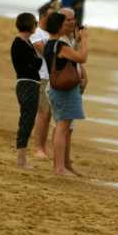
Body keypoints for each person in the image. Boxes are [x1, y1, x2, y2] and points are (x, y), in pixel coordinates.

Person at [42, 11, 88, 176]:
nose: (69, 24)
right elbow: (82, 58)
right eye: (66, 22)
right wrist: (85, 39)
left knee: (62, 127)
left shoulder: (50, 43)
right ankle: (59, 167)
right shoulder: (60, 46)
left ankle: (61, 166)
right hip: (64, 91)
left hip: (57, 89)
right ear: (59, 25)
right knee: (62, 128)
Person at [11, 12, 43, 169]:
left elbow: (35, 63)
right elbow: (33, 64)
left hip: (30, 83)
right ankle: (21, 159)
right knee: (26, 120)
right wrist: (37, 60)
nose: (36, 25)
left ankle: (21, 158)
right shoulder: (19, 43)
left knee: (28, 120)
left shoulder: (26, 42)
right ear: (29, 25)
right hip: (27, 84)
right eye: (35, 23)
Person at [29, 2, 55, 159]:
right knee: (43, 113)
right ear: (44, 16)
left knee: (48, 114)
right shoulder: (36, 33)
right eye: (52, 15)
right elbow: (46, 52)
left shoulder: (51, 34)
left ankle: (43, 147)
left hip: (52, 77)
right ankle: (38, 147)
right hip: (41, 76)